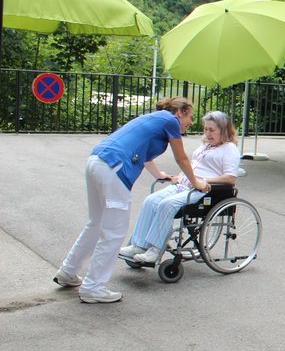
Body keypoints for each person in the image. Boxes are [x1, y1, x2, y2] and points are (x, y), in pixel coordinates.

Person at [55, 97, 207, 303]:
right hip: (115, 169)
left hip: (97, 161)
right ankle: (93, 287)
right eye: (190, 117)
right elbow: (181, 158)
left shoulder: (153, 118)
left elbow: (143, 155)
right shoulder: (171, 120)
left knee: (96, 224)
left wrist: (159, 174)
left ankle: (68, 271)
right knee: (114, 232)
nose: (190, 123)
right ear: (180, 112)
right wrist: (195, 182)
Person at [120, 111, 240, 264]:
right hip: (185, 184)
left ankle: (155, 250)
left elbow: (230, 178)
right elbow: (194, 165)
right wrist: (181, 175)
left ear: (223, 130)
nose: (207, 133)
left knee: (166, 205)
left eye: (212, 130)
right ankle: (138, 245)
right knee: (151, 200)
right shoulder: (206, 146)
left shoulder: (229, 149)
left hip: (203, 190)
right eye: (205, 129)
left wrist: (201, 180)